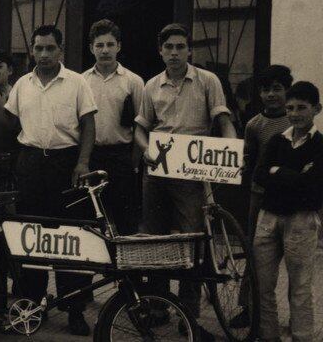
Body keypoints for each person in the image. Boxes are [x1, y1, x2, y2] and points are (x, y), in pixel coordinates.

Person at [134, 23, 237, 341]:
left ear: (189, 50)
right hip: (159, 169)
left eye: (181, 46)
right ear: (160, 52)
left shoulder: (208, 81)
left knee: (193, 243)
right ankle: (159, 307)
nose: (175, 52)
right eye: (169, 47)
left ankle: (189, 315)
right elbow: (140, 129)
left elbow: (223, 121)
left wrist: (229, 150)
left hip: (192, 171)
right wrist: (146, 151)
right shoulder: (152, 85)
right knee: (156, 241)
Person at [4, 25, 97, 336]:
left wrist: (83, 162)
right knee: (31, 237)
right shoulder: (21, 84)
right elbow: (10, 123)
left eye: (50, 49)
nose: (44, 54)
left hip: (66, 164)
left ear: (61, 51)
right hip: (30, 163)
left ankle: (74, 310)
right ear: (32, 50)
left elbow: (88, 124)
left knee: (69, 240)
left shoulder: (77, 82)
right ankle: (31, 306)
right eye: (39, 48)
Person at [253, 81, 323, 342]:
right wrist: (292, 175)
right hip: (268, 219)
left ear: (316, 109)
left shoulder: (320, 145)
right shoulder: (276, 141)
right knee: (264, 286)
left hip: (301, 221)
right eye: (290, 108)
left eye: (301, 108)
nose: (294, 114)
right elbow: (259, 175)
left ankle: (302, 337)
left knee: (301, 287)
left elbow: (315, 188)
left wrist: (277, 172)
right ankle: (269, 336)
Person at [230, 65, 293, 329]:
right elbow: (248, 158)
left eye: (277, 89)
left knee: (291, 256)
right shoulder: (254, 125)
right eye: (266, 89)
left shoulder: (295, 120)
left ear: (287, 90)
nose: (271, 95)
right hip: (259, 196)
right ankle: (248, 307)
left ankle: (295, 316)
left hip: (290, 199)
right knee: (254, 251)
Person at [82, 19, 144, 235]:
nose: (105, 50)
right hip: (92, 157)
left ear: (118, 46)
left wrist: (133, 161)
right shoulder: (81, 81)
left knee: (125, 220)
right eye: (99, 45)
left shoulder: (133, 82)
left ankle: (126, 269)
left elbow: (141, 125)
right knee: (92, 221)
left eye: (110, 44)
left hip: (121, 157)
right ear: (91, 48)